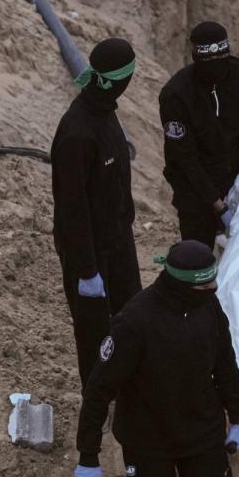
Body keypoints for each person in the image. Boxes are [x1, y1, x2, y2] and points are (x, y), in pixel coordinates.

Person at [73, 240, 239, 477]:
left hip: (201, 427)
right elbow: (98, 390)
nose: (214, 288)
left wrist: (237, 417)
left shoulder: (208, 306)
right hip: (148, 438)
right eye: (205, 285)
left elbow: (226, 364)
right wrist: (88, 455)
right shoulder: (134, 322)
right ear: (182, 285)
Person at [51, 37, 143, 392]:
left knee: (131, 318)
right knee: (93, 333)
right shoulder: (77, 133)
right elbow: (71, 208)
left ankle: (128, 389)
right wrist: (88, 271)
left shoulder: (106, 112)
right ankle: (96, 398)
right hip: (88, 252)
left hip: (118, 240)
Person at [159, 21, 239, 248]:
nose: (216, 67)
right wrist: (218, 205)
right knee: (198, 251)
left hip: (235, 174)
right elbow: (185, 157)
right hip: (193, 185)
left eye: (221, 59)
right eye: (209, 61)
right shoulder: (176, 94)